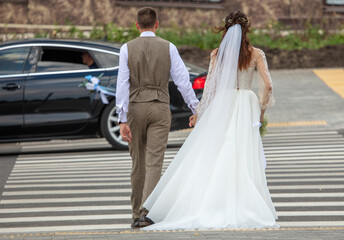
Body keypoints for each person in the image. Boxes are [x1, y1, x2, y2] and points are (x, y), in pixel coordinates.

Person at [142, 11, 279, 230]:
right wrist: (261, 111)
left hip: (222, 105)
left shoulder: (217, 54)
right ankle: (241, 201)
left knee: (215, 152)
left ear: (225, 30)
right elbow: (268, 85)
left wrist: (200, 113)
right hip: (245, 105)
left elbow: (210, 88)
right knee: (242, 155)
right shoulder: (256, 54)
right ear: (247, 31)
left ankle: (207, 201)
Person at [115, 7, 199, 229]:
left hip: (135, 108)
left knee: (137, 163)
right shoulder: (168, 47)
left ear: (137, 25)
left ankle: (135, 213)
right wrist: (195, 107)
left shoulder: (126, 48)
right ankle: (146, 212)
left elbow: (122, 84)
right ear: (157, 24)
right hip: (160, 107)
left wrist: (122, 118)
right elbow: (182, 80)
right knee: (154, 161)